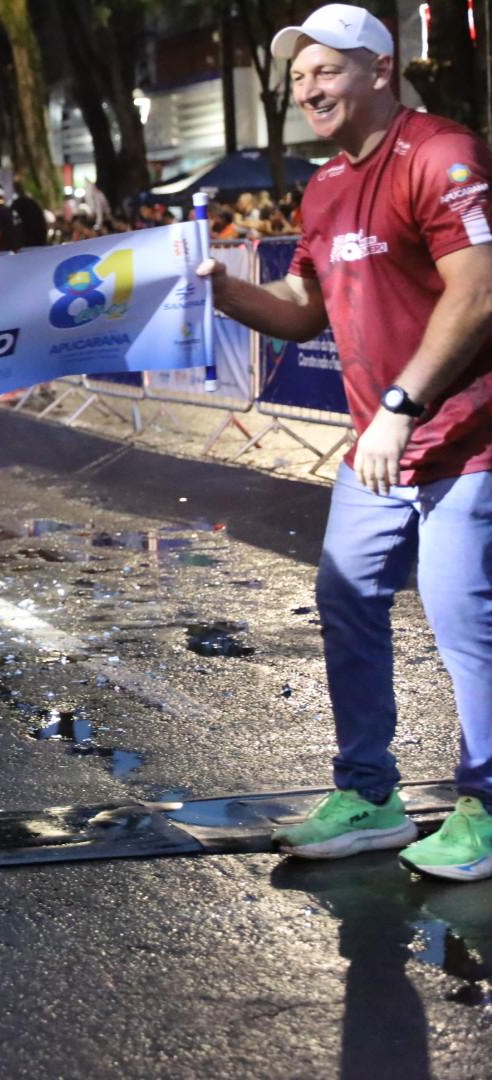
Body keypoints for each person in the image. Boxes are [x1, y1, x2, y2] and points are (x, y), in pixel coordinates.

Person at [199, 4, 492, 882]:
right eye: (298, 80)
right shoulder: (323, 187)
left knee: (461, 620)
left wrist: (405, 401)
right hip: (380, 447)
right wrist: (216, 288)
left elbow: (477, 294)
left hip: (465, 441)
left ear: (379, 67)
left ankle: (486, 806)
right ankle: (370, 795)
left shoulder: (443, 153)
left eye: (325, 71)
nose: (308, 90)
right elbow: (299, 313)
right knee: (346, 600)